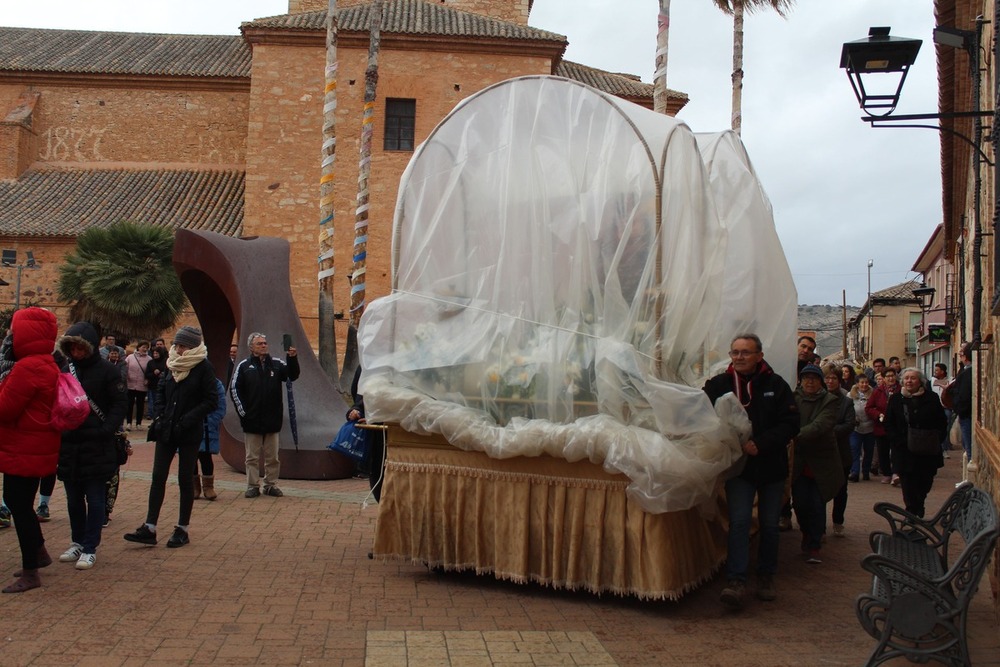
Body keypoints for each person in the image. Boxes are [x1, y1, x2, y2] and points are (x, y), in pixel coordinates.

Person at [703, 333, 799, 610]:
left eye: (746, 352)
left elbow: (791, 423)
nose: (740, 357)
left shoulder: (776, 384)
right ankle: (736, 581)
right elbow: (700, 412)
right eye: (735, 352)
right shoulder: (719, 384)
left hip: (770, 466)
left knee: (769, 524)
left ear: (759, 355)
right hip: (739, 469)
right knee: (740, 522)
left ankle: (766, 576)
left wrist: (762, 443)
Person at [124, 326, 217, 548]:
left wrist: (187, 419)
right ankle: (150, 527)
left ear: (193, 347)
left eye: (183, 345)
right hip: (167, 429)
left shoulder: (203, 367)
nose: (178, 348)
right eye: (177, 344)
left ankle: (182, 528)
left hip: (188, 431)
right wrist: (160, 416)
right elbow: (162, 391)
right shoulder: (171, 364)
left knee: (185, 478)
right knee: (158, 477)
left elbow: (210, 400)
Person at [55, 321, 128, 570]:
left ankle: (90, 546)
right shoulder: (67, 370)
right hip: (70, 442)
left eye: (80, 348)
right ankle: (77, 541)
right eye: (72, 349)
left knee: (95, 498)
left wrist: (105, 431)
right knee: (73, 498)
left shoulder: (108, 371)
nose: (76, 353)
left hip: (97, 443)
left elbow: (119, 404)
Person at [0, 307, 61, 593]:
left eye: (14, 330)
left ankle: (30, 572)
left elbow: (5, 408)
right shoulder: (45, 362)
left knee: (19, 506)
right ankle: (38, 554)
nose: (10, 336)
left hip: (24, 448)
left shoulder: (27, 367)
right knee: (21, 503)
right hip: (35, 446)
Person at [230, 332, 300, 498]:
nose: (264, 345)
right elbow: (234, 389)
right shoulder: (244, 366)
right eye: (260, 343)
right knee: (252, 457)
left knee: (273, 457)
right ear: (251, 347)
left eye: (265, 343)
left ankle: (270, 485)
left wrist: (292, 358)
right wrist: (243, 412)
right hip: (251, 420)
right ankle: (252, 485)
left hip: (272, 420)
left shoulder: (276, 364)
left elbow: (292, 375)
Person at [791, 365, 842, 564]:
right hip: (799, 462)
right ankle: (806, 532)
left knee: (817, 504)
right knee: (801, 503)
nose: (810, 382)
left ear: (820, 381)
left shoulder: (830, 401)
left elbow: (821, 425)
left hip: (822, 462)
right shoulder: (793, 399)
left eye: (814, 378)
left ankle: (814, 545)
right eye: (806, 378)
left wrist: (792, 435)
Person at [885, 368, 947, 517]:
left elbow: (941, 422)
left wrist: (937, 439)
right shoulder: (895, 399)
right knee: (908, 484)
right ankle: (913, 513)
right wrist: (898, 441)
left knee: (925, 483)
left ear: (920, 381)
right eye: (906, 378)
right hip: (904, 450)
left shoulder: (931, 398)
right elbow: (889, 423)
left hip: (927, 450)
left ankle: (918, 506)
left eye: (913, 378)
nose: (909, 381)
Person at [824, 368, 854, 537]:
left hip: (841, 451)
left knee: (841, 490)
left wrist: (827, 431)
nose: (830, 381)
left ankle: (838, 521)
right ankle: (819, 525)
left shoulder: (846, 402)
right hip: (821, 452)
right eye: (827, 378)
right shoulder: (818, 399)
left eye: (833, 378)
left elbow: (849, 425)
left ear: (839, 380)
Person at [866, 367, 900, 485]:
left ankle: (896, 472)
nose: (890, 378)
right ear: (883, 378)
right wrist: (878, 414)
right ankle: (886, 473)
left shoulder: (901, 390)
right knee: (883, 451)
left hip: (897, 427)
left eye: (892, 375)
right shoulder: (878, 391)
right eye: (888, 376)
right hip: (881, 426)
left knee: (897, 450)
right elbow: (869, 408)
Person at [194, 378, 226, 501]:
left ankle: (208, 487)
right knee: (190, 457)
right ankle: (194, 486)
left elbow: (221, 404)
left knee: (206, 456)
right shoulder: (185, 377)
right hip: (189, 424)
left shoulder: (214, 383)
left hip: (207, 425)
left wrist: (213, 420)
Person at [848, 374, 876, 482]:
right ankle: (854, 472)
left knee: (868, 451)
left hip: (870, 427)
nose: (864, 385)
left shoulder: (873, 394)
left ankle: (865, 471)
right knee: (854, 449)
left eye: (866, 382)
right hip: (856, 427)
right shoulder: (850, 395)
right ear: (857, 384)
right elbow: (848, 408)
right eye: (862, 382)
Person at [952, 344, 973, 464]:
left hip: (966, 415)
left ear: (965, 357)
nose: (960, 357)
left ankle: (970, 480)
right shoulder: (966, 371)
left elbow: (963, 395)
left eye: (961, 354)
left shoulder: (967, 373)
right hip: (966, 413)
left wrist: (959, 410)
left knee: (968, 446)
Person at [124, 341, 151, 431]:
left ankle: (138, 423)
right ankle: (129, 423)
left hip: (142, 385)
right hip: (130, 384)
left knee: (140, 405)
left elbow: (150, 371)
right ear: (138, 347)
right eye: (143, 347)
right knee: (129, 404)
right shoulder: (130, 357)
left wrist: (147, 379)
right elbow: (125, 368)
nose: (145, 349)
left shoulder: (149, 359)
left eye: (146, 347)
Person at [930, 363, 952, 458]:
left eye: (937, 370)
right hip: (935, 408)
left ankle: (944, 448)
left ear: (942, 371)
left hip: (946, 407)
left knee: (945, 428)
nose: (935, 372)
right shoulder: (932, 381)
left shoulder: (951, 380)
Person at [144, 346, 167, 422]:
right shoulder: (151, 362)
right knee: (153, 402)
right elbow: (147, 374)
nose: (155, 355)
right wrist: (154, 373)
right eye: (154, 353)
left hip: (163, 386)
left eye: (157, 353)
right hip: (153, 386)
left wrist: (161, 373)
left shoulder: (165, 362)